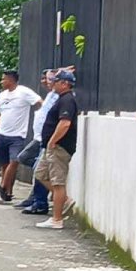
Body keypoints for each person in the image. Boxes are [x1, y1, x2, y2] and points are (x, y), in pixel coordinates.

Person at [35, 70, 80, 230]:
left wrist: (53, 141)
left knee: (57, 181)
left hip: (59, 147)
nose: (52, 84)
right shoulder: (60, 99)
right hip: (51, 146)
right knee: (40, 174)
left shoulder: (67, 100)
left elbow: (65, 123)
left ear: (64, 84)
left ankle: (57, 219)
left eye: (56, 81)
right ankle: (64, 200)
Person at [0, 70, 42, 203]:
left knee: (14, 161)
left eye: (4, 79)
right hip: (2, 133)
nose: (2, 82)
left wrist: (42, 116)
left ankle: (2, 187)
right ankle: (8, 192)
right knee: (4, 165)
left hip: (17, 135)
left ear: (11, 80)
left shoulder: (23, 92)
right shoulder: (2, 96)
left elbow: (39, 101)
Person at [16, 69, 59, 215]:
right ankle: (36, 198)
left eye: (48, 79)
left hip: (46, 138)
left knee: (38, 169)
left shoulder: (58, 95)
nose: (45, 81)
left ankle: (40, 201)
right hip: (40, 136)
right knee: (32, 163)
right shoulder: (51, 94)